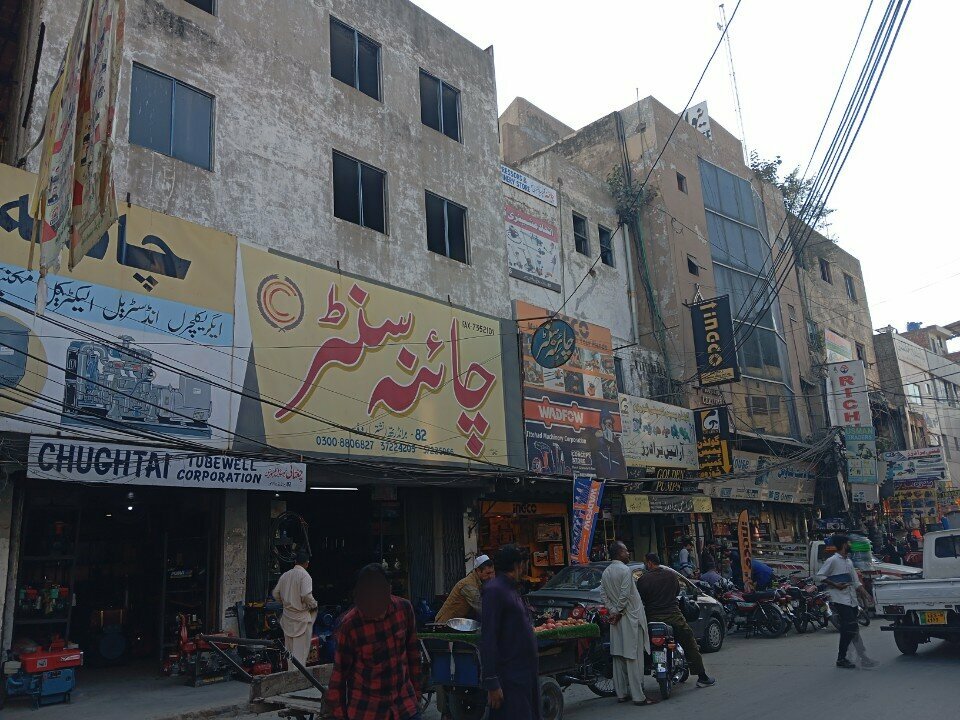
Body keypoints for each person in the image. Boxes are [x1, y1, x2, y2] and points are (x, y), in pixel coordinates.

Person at [326, 564, 423, 720]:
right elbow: (339, 676)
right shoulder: (350, 625)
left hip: (405, 705)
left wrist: (416, 695)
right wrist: (340, 715)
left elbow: (413, 655)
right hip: (368, 710)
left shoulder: (404, 609)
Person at [636, 553, 716, 688]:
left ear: (649, 563)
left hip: (652, 619)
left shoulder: (643, 580)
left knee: (644, 644)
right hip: (674, 616)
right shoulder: (671, 575)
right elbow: (677, 593)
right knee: (689, 642)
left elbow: (641, 599)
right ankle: (702, 676)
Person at [480, 544, 539, 719]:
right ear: (517, 565)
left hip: (524, 674)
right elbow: (488, 637)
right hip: (510, 677)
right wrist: (492, 682)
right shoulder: (494, 590)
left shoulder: (512, 589)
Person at [600, 542, 657, 707]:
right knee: (633, 656)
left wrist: (613, 611)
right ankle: (638, 696)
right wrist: (617, 612)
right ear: (619, 553)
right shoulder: (625, 570)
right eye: (625, 551)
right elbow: (624, 594)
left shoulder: (606, 572)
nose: (628, 553)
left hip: (617, 619)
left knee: (618, 656)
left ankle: (622, 694)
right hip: (629, 618)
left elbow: (603, 594)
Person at [816, 536, 876, 670]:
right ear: (844, 545)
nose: (851, 545)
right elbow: (820, 576)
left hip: (851, 599)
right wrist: (835, 585)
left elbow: (855, 582)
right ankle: (849, 657)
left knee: (851, 629)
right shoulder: (832, 560)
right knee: (850, 628)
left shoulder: (848, 561)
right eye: (849, 543)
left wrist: (867, 595)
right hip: (840, 599)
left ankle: (853, 657)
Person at [272, 549, 318, 665]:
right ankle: (298, 676)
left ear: (295, 562)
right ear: (307, 563)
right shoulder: (305, 576)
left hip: (287, 618)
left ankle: (291, 675)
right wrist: (314, 605)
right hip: (301, 620)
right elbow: (306, 595)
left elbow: (275, 593)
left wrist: (286, 603)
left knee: (290, 655)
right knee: (300, 657)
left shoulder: (285, 575)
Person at [434, 555, 495, 624]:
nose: (491, 576)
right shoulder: (468, 585)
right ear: (478, 571)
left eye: (492, 572)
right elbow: (482, 608)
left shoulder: (480, 582)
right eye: (488, 573)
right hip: (444, 624)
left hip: (457, 624)